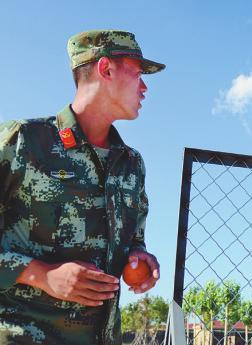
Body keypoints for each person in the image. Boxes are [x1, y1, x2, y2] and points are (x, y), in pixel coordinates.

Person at [0, 30, 164, 344]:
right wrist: (40, 274)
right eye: (138, 74)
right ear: (106, 69)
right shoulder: (21, 141)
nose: (144, 87)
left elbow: (134, 242)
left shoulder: (131, 164)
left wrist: (139, 260)